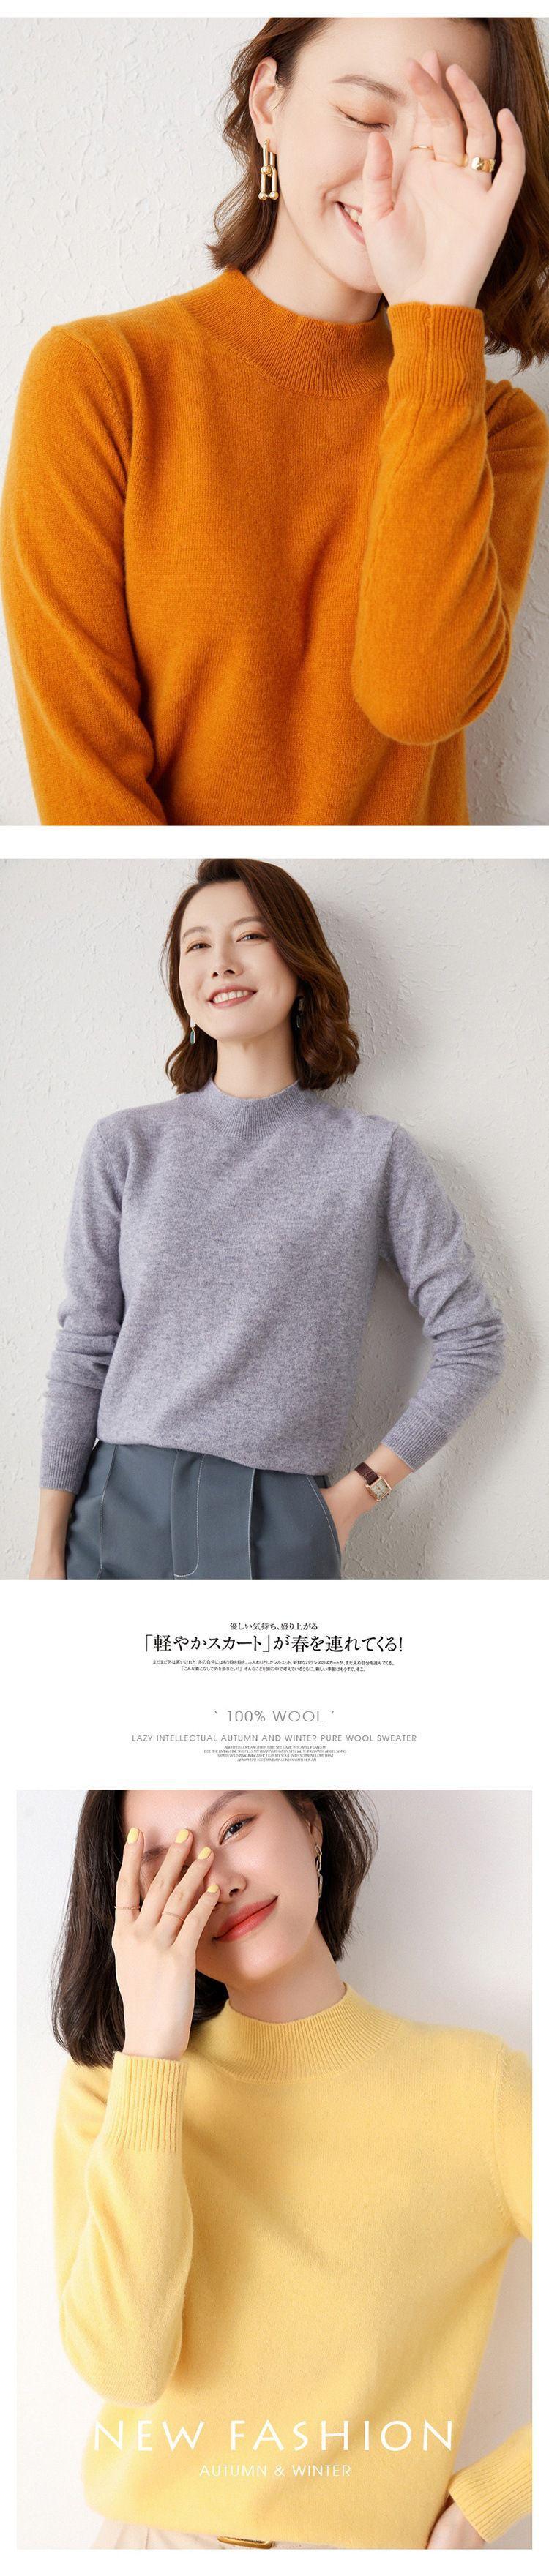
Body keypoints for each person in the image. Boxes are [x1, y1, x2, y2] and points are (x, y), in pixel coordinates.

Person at [1, 16, 548, 826]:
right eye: (363, 116)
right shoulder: (100, 381)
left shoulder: (496, 429)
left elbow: (416, 701)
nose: (391, 173)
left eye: (444, 141)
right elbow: (88, 798)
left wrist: (437, 321)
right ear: (269, 104)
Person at [51, 1786, 531, 2549]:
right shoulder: (117, 2085)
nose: (217, 1879)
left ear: (310, 1823)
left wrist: (493, 2500)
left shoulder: (480, 2090)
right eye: (166, 1862)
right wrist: (152, 2053)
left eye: (235, 1825)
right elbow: (125, 2369)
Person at [30, 860, 504, 1580]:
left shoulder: (373, 1157)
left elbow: (474, 1339)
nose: (220, 961)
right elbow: (84, 1347)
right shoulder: (125, 1145)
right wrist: (46, 1548)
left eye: (250, 936)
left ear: (300, 963)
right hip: (114, 1509)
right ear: (182, 984)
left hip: (279, 1523)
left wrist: (355, 1497)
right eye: (196, 944)